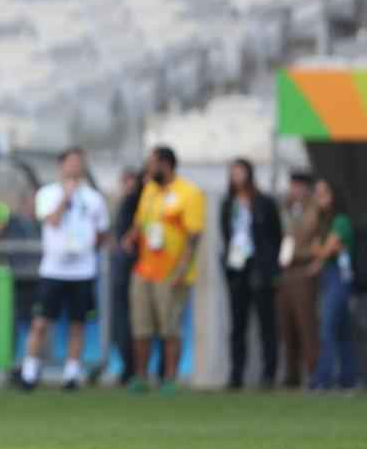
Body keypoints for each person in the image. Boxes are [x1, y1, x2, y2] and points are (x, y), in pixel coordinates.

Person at [19, 147, 110, 391]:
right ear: (61, 166)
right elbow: (51, 220)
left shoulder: (94, 198)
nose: (74, 167)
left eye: (78, 163)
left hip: (83, 270)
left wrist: (87, 246)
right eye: (70, 162)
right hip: (53, 270)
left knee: (77, 323)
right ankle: (29, 372)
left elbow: (102, 233)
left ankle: (71, 375)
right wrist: (65, 198)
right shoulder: (48, 194)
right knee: (40, 322)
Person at [123, 146, 205, 395]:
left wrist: (183, 269)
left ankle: (170, 378)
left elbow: (194, 236)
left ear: (166, 164)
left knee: (169, 327)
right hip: (144, 269)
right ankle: (141, 376)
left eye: (152, 163)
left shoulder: (189, 193)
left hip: (170, 272)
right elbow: (141, 222)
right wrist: (130, 237)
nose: (148, 168)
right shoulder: (149, 190)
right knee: (141, 326)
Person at [219, 158, 283, 390]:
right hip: (237, 267)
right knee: (237, 325)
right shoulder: (228, 203)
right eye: (233, 172)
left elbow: (276, 235)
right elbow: (225, 234)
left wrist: (272, 266)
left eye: (240, 172)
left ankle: (269, 374)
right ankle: (236, 374)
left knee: (266, 324)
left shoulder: (264, 202)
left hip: (260, 268)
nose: (236, 176)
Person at [309, 179, 359, 391]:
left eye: (324, 193)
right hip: (331, 276)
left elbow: (322, 251)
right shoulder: (324, 221)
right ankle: (349, 378)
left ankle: (323, 378)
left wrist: (320, 250)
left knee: (327, 328)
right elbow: (322, 251)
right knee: (342, 330)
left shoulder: (340, 221)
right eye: (317, 193)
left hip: (338, 277)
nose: (320, 198)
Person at [277, 172, 320, 388]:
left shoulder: (315, 208)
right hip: (286, 269)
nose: (294, 190)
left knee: (306, 324)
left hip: (304, 267)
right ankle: (291, 375)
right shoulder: (286, 207)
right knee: (287, 325)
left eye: (298, 186)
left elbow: (311, 234)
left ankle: (314, 373)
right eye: (292, 185)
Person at [110, 168, 143, 385]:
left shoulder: (139, 202)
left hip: (138, 269)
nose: (128, 184)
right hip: (123, 269)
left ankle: (136, 369)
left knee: (138, 321)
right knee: (122, 320)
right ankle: (128, 367)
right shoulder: (124, 203)